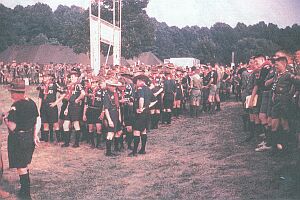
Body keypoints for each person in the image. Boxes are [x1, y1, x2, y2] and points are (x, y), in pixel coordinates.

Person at [4, 79, 41, 199]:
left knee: (21, 166)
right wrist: (35, 135)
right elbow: (37, 120)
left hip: (19, 139)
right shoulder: (31, 102)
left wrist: (6, 120)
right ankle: (25, 190)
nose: (11, 94)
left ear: (16, 92)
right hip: (29, 137)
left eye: (12, 92)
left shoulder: (15, 106)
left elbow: (12, 127)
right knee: (24, 164)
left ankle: (26, 194)